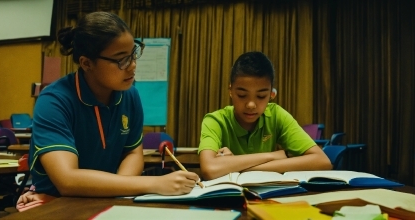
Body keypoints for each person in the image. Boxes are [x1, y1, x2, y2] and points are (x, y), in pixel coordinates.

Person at [17, 12, 199, 210]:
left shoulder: (130, 95)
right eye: (121, 60)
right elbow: (67, 179)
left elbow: (132, 153)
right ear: (87, 63)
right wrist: (154, 184)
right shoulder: (54, 101)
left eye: (133, 53)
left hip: (106, 202)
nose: (133, 65)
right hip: (58, 204)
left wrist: (117, 196)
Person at [198, 51, 332, 180]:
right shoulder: (215, 120)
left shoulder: (276, 115)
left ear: (271, 95)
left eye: (261, 96)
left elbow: (322, 162)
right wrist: (273, 155)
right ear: (231, 91)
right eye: (242, 95)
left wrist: (234, 165)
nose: (251, 105)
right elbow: (209, 169)